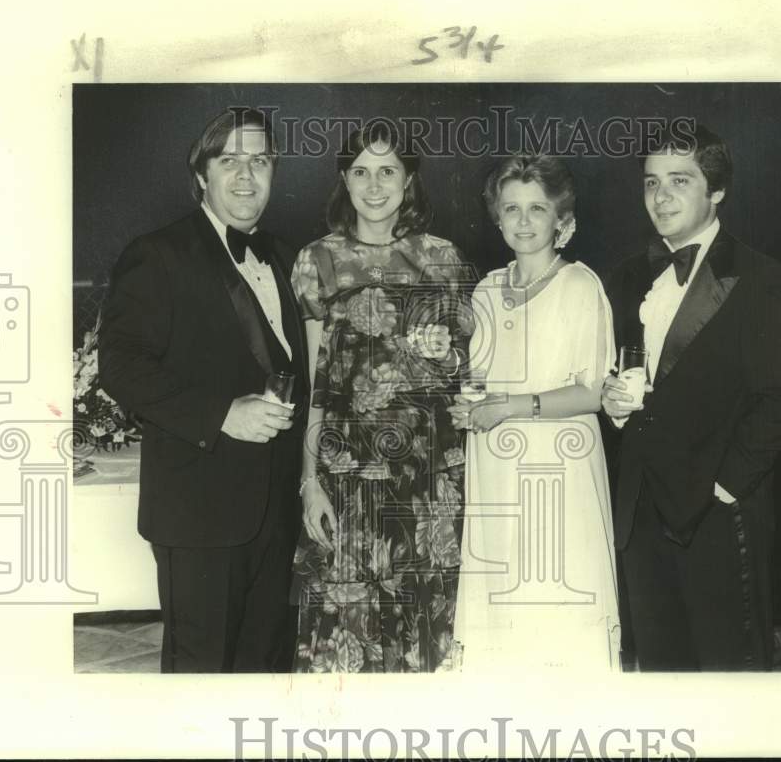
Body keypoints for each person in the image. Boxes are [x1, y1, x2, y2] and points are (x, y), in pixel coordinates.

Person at [99, 108, 308, 673]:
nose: (246, 175)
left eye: (260, 161)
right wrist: (221, 413)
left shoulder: (287, 257)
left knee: (264, 672)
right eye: (229, 160)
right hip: (199, 516)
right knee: (201, 679)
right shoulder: (158, 253)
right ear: (201, 176)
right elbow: (118, 365)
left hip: (276, 517)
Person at [601, 124, 781, 671]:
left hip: (720, 514)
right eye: (651, 183)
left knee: (729, 676)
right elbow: (629, 379)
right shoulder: (625, 277)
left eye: (679, 180)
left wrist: (725, 485)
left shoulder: (761, 277)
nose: (661, 197)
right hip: (642, 513)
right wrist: (615, 405)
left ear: (716, 191)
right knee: (661, 679)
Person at [290, 121, 472, 672]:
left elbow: (468, 366)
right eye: (361, 172)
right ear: (344, 179)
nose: (374, 185)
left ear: (409, 179)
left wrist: (446, 354)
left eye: (388, 170)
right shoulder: (316, 261)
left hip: (430, 473)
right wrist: (310, 480)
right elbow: (315, 384)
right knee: (349, 617)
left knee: (426, 614)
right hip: (350, 470)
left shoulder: (443, 258)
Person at [449, 154, 621, 672]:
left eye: (537, 209)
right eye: (511, 208)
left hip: (559, 474)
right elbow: (478, 383)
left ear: (562, 222)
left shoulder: (581, 287)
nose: (523, 221)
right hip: (496, 472)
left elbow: (595, 392)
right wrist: (467, 404)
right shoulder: (484, 291)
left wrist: (510, 408)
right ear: (497, 218)